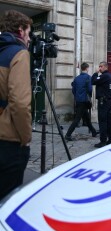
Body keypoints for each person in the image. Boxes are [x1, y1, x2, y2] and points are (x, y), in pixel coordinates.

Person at [0, 10, 33, 199]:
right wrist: (25, 137)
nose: (29, 40)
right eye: (28, 34)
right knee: (7, 200)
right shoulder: (19, 53)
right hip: (9, 140)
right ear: (21, 31)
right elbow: (20, 103)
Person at [65, 62, 98, 141]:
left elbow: (73, 90)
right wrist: (89, 96)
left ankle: (93, 132)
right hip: (85, 100)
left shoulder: (77, 78)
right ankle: (68, 134)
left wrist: (77, 96)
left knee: (86, 117)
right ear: (87, 68)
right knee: (77, 119)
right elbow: (90, 90)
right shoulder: (88, 78)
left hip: (78, 100)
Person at [91, 61, 111, 148]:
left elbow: (93, 81)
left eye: (101, 66)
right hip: (108, 101)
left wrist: (95, 73)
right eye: (99, 66)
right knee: (108, 120)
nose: (99, 68)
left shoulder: (104, 76)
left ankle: (103, 141)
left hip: (103, 101)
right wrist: (110, 96)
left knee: (102, 121)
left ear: (105, 67)